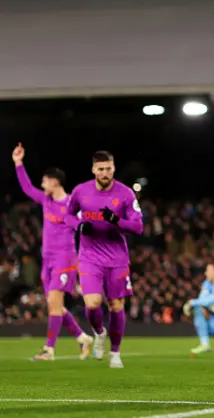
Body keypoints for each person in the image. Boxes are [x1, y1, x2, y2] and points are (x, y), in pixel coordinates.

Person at [12, 143, 93, 361]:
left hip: (64, 260)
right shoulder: (46, 200)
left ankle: (49, 350)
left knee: (54, 304)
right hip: (47, 259)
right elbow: (27, 188)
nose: (41, 184)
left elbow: (82, 226)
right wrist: (18, 163)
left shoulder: (71, 205)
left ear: (54, 181)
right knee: (55, 305)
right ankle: (83, 338)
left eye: (44, 180)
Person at [64, 151, 143, 368]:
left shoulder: (126, 194)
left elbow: (138, 226)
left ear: (113, 168)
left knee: (116, 305)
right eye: (101, 169)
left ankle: (115, 352)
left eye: (108, 168)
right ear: (93, 170)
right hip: (89, 257)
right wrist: (78, 226)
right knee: (92, 304)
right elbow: (68, 215)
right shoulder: (81, 191)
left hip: (117, 258)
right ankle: (99, 332)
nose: (105, 173)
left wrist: (117, 221)